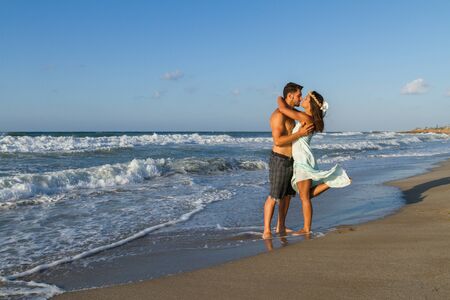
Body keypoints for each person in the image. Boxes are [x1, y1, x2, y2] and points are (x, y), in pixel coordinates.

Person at [277, 91, 351, 235]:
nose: (303, 99)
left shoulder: (306, 118)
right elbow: (290, 111)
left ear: (310, 105)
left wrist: (280, 98)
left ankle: (306, 229)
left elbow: (283, 109)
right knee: (306, 195)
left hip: (303, 159)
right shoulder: (306, 116)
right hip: (302, 158)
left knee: (305, 197)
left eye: (306, 98)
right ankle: (332, 181)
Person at [262, 82, 314, 240]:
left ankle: (281, 226)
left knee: (286, 196)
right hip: (279, 159)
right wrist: (299, 134)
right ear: (290, 96)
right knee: (274, 195)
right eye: (298, 95)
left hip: (292, 160)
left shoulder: (292, 112)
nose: (300, 98)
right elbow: (278, 141)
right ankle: (266, 230)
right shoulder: (279, 115)